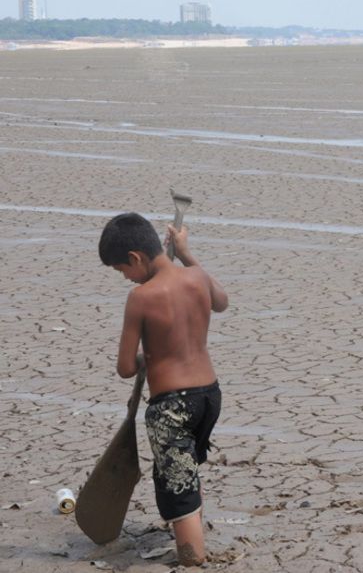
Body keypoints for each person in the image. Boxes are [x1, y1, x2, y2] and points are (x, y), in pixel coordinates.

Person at [98, 212, 228, 567]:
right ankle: (194, 536)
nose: (125, 277)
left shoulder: (141, 298)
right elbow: (221, 301)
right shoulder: (197, 276)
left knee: (177, 489)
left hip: (172, 407)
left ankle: (193, 557)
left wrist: (148, 356)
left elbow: (126, 367)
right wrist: (186, 254)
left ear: (136, 258)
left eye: (121, 270)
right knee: (187, 468)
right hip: (209, 397)